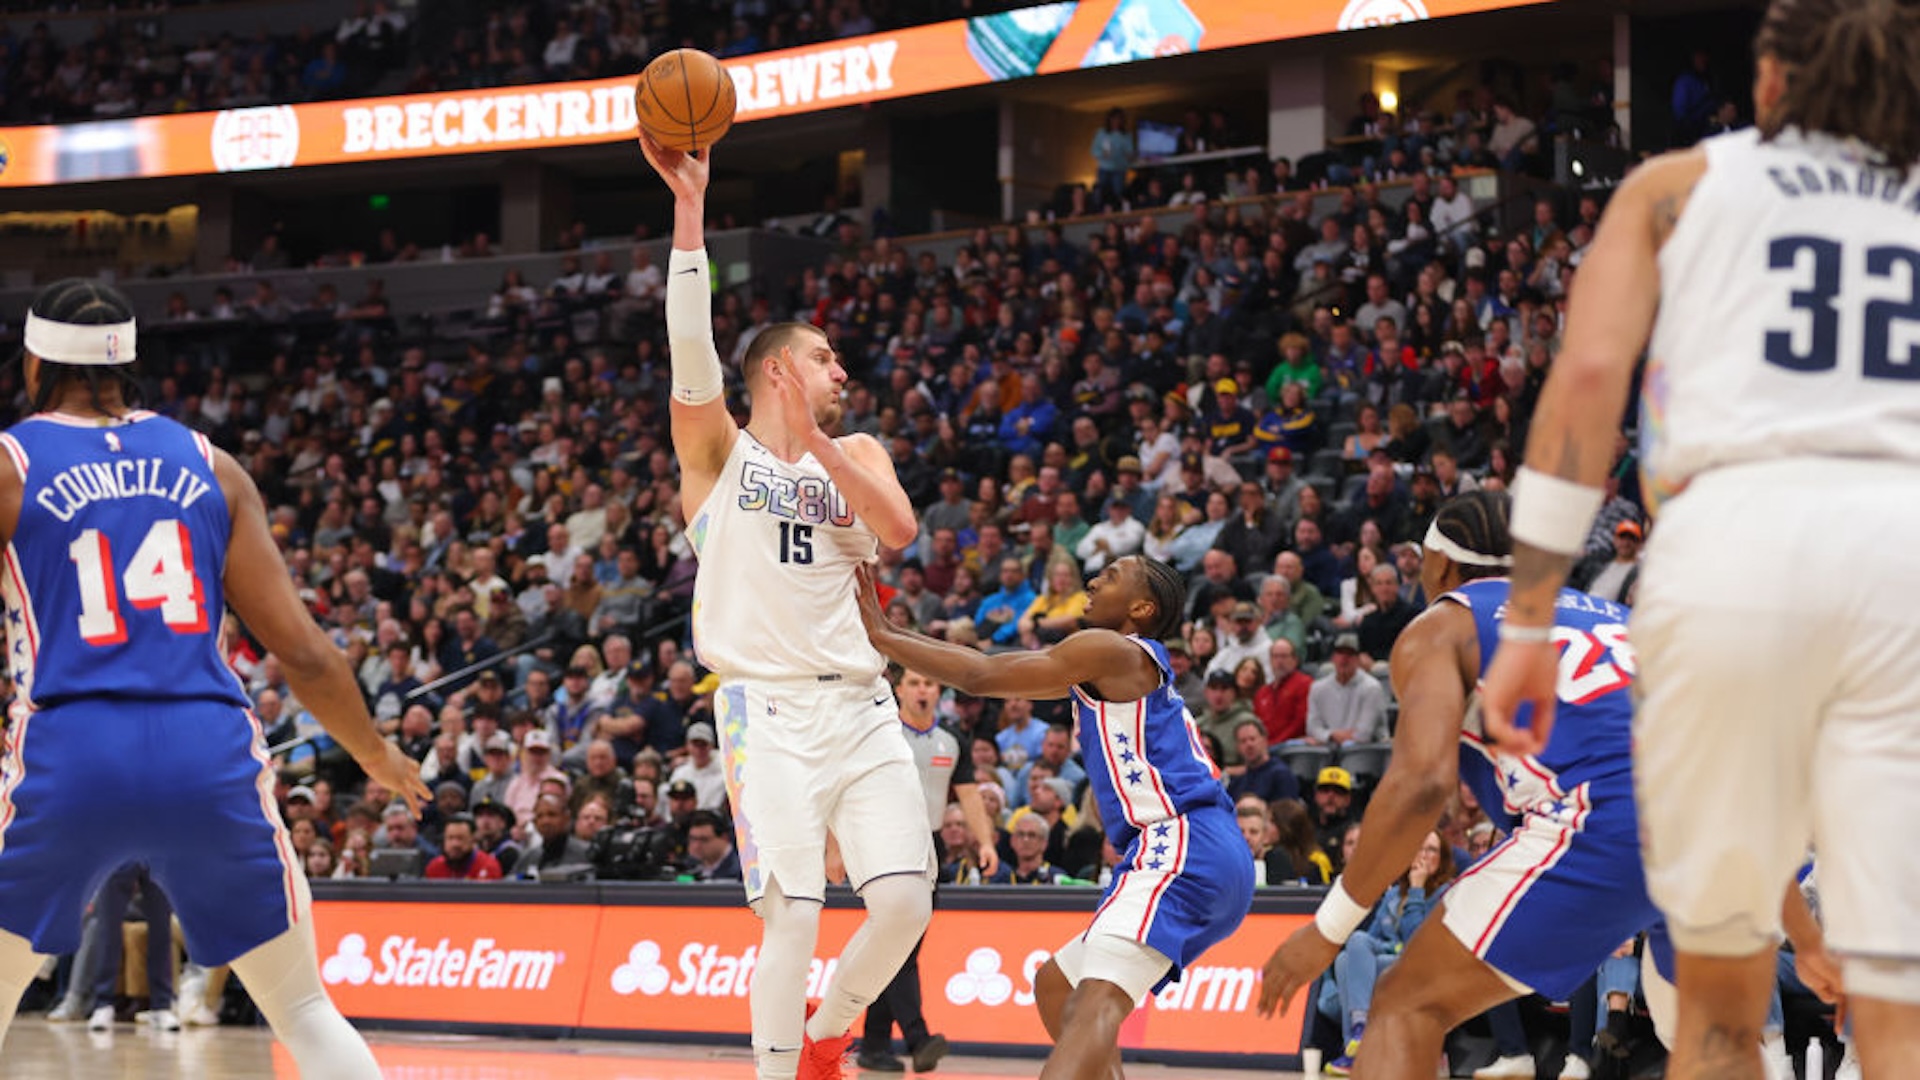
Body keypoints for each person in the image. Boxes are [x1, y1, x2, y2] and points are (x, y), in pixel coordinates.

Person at [1478, 4, 1919, 1076]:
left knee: (1720, 1005)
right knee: (1895, 1002)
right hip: (1899, 554)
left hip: (1734, 549)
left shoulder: (1676, 186)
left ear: (1768, 77)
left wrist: (1529, 618)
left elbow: (1585, 390)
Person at [0, 279, 426, 1075]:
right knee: (302, 1008)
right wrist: (375, 755)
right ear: (130, 360)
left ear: (33, 361)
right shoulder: (212, 464)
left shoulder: (13, 462)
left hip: (72, 749)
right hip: (208, 751)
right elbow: (302, 653)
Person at [1260, 493, 1833, 1079]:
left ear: (1442, 566)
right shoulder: (1615, 618)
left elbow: (1421, 786)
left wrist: (1328, 930)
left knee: (1406, 1003)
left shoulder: (1444, 622)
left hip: (1601, 821)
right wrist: (1804, 933)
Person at [642, 131, 934, 1080]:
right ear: (776, 369)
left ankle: (826, 1032)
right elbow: (690, 346)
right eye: (824, 358)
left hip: (861, 705)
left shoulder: (865, 455)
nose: (841, 370)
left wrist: (823, 441)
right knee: (795, 914)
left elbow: (899, 532)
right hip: (761, 712)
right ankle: (779, 1073)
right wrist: (690, 209)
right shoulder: (719, 456)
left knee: (906, 903)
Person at [855, 555, 1253, 1080]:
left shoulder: (1111, 649)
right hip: (1203, 850)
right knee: (1058, 985)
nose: (1093, 580)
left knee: (1095, 1002)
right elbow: (987, 674)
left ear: (1141, 607)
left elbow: (982, 673)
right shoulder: (1108, 667)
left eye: (1111, 576)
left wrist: (882, 634)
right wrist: (887, 633)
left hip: (1180, 842)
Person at [857, 667, 999, 1074]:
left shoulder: (952, 739)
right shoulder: (880, 732)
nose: (922, 690)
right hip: (885, 845)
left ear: (939, 692)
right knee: (898, 945)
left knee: (900, 947)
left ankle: (875, 1045)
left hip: (930, 849)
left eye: (930, 684)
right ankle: (918, 1038)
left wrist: (985, 841)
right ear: (898, 689)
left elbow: (969, 795)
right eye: (915, 683)